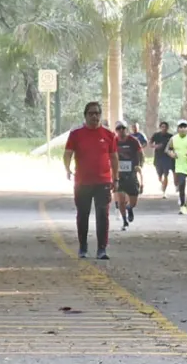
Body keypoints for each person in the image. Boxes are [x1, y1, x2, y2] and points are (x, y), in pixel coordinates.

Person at [63, 102, 118, 260]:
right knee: (83, 215)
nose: (94, 116)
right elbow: (68, 154)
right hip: (82, 182)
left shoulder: (108, 135)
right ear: (85, 115)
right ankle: (83, 247)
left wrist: (116, 178)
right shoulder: (76, 134)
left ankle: (102, 249)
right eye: (91, 113)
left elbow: (114, 158)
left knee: (102, 215)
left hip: (103, 182)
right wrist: (67, 169)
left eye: (97, 113)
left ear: (100, 115)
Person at [114, 121, 144, 231]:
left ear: (126, 129)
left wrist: (139, 165)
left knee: (133, 201)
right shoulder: (113, 141)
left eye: (123, 128)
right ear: (116, 130)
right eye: (118, 128)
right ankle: (124, 221)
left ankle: (129, 208)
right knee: (120, 199)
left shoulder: (133, 141)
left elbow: (141, 154)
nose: (121, 130)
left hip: (131, 173)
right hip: (118, 174)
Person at [151, 122, 174, 198]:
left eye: (165, 127)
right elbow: (150, 144)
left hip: (167, 157)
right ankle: (162, 183)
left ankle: (164, 192)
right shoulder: (156, 135)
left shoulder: (170, 136)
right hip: (158, 157)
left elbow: (174, 146)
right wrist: (156, 146)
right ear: (160, 127)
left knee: (166, 175)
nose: (164, 128)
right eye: (162, 127)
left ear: (167, 128)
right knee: (159, 175)